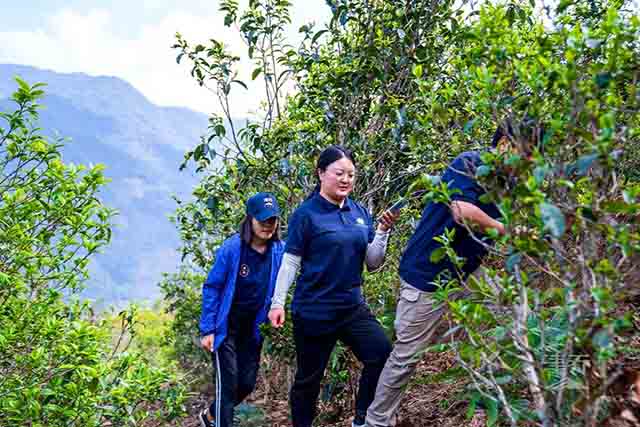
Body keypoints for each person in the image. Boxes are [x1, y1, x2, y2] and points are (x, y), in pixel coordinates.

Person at [365, 121, 542, 427]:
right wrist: (508, 231)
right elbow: (461, 211)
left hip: (466, 271)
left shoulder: (507, 184)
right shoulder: (470, 163)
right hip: (427, 275)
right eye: (527, 153)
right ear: (504, 146)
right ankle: (376, 421)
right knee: (406, 357)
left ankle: (489, 404)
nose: (531, 161)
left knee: (508, 313)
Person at [268, 145, 400, 427]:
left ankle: (362, 420)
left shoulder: (359, 211)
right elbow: (290, 263)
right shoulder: (306, 214)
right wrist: (277, 303)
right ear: (321, 174)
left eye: (351, 175)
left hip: (352, 307)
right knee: (309, 380)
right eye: (339, 173)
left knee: (381, 354)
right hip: (314, 311)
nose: (346, 180)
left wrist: (383, 231)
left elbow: (373, 262)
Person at [198, 192, 285, 427]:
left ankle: (210, 416)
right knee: (227, 387)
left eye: (272, 220)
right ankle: (219, 420)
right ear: (250, 220)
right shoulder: (232, 248)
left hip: (252, 330)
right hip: (225, 328)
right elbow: (212, 288)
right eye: (263, 220)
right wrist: (207, 329)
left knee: (245, 384)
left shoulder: (278, 251)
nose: (268, 226)